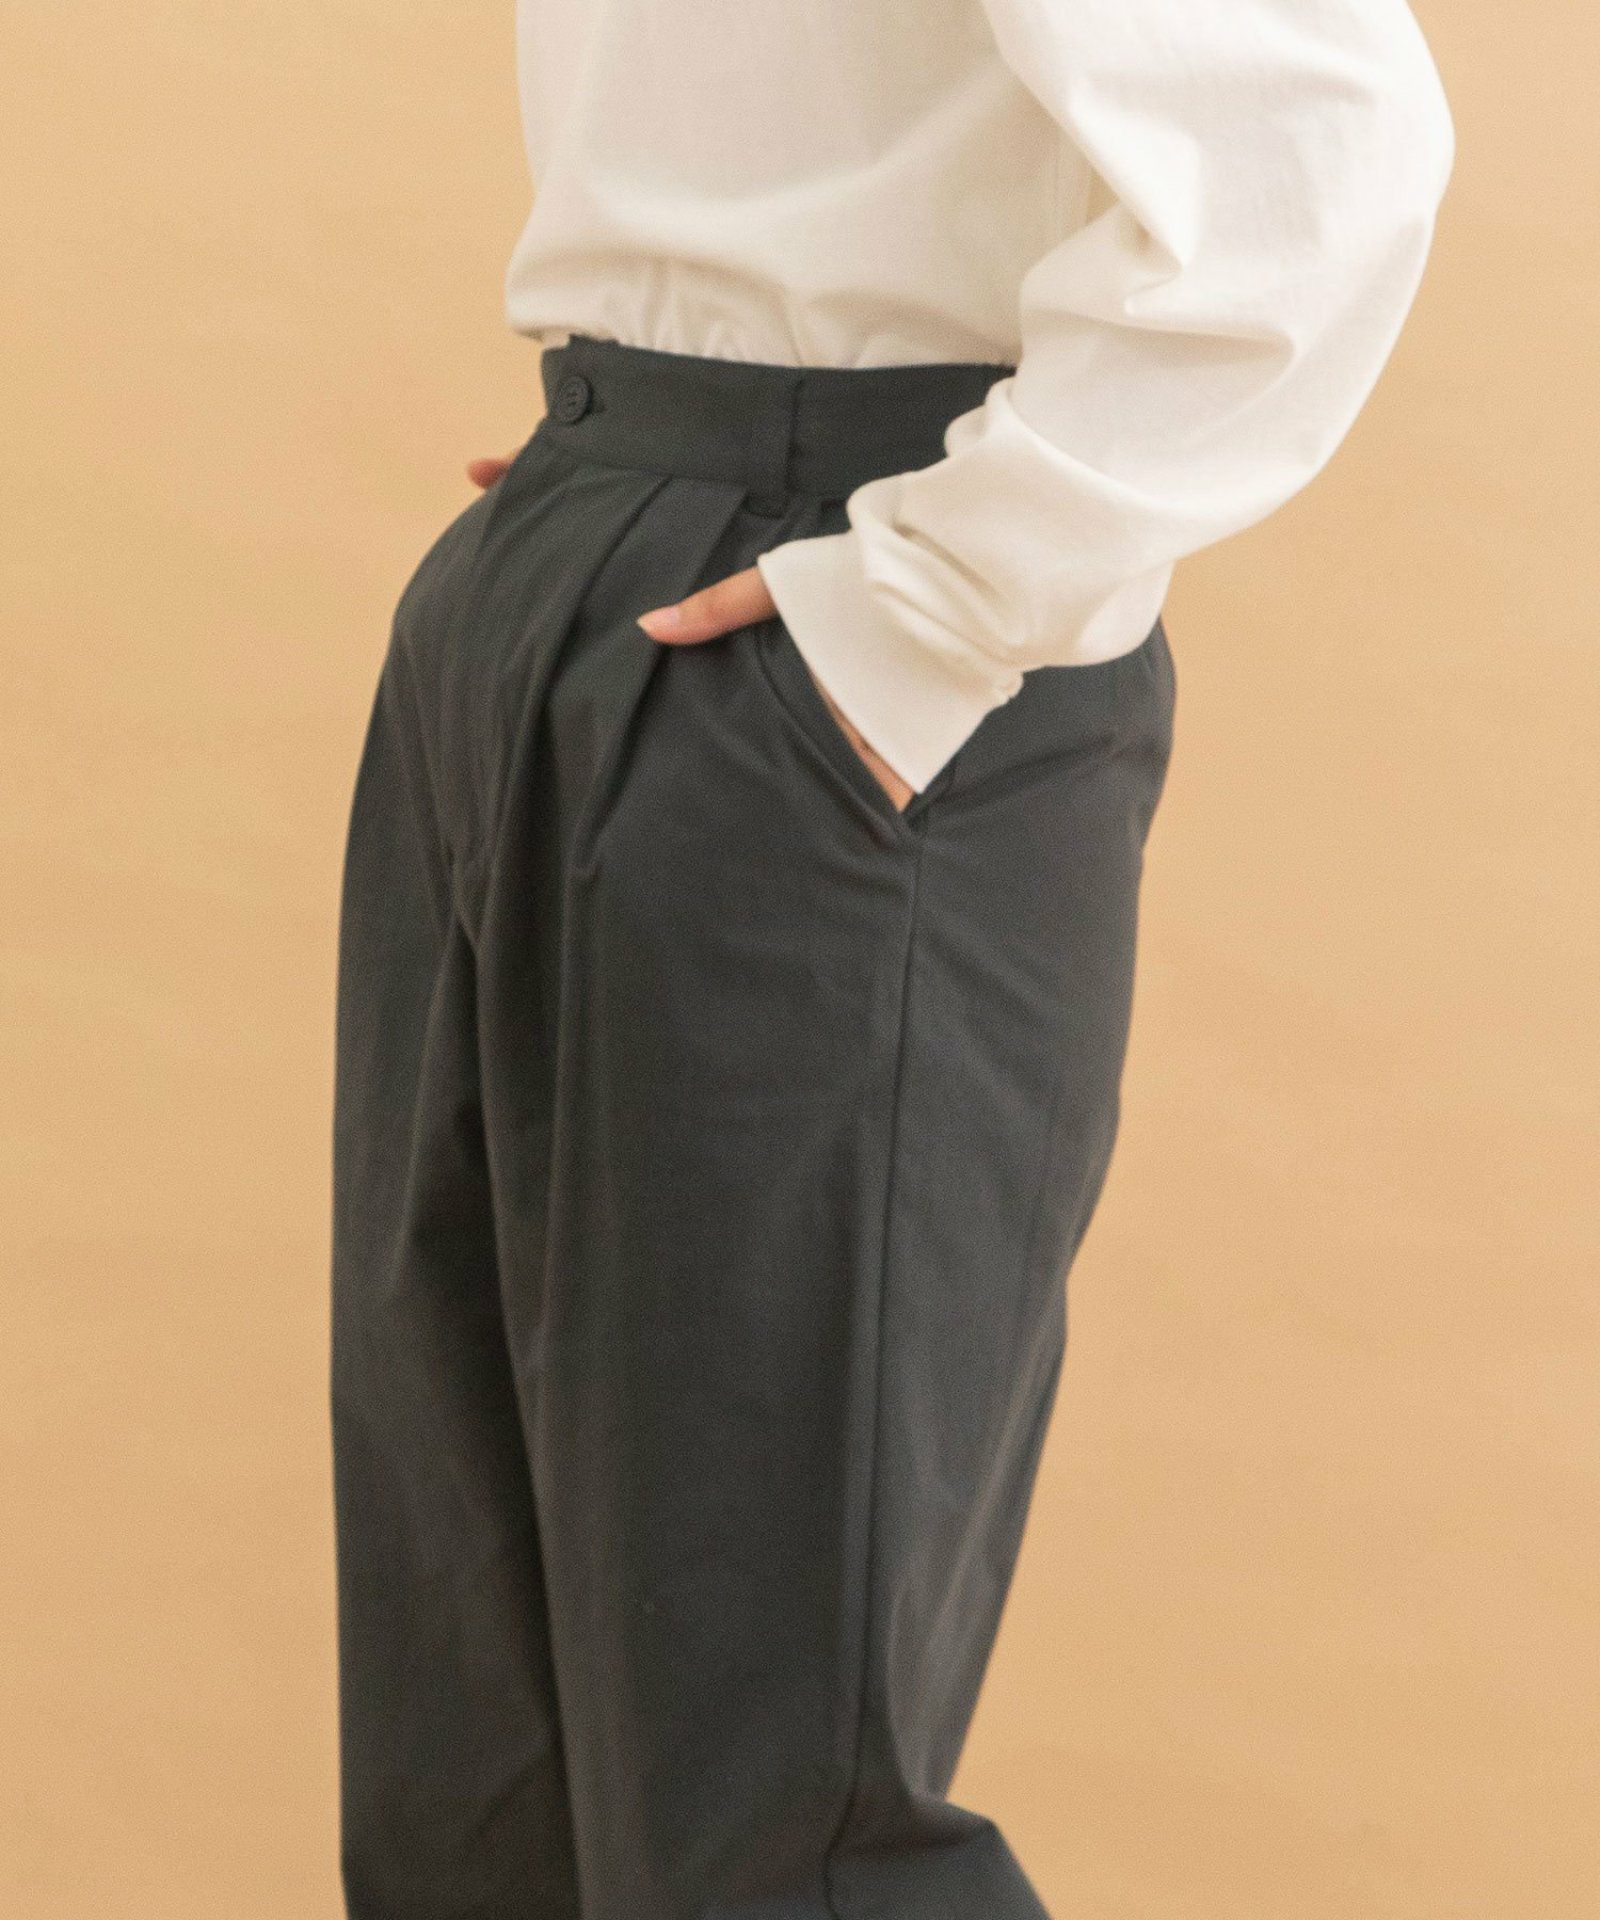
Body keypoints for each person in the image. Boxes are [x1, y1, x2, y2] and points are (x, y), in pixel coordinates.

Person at [329, 2, 1454, 1915]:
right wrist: (625, 475)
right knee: (474, 1767)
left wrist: (934, 597)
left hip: (828, 605)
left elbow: (1318, 148)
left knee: (776, 1806)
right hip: (591, 524)